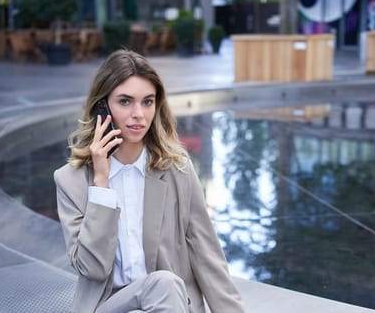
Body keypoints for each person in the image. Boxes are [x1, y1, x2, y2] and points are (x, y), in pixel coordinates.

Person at [54, 50, 246, 313]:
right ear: (102, 107)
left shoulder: (178, 170)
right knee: (163, 284)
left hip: (169, 305)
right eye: (125, 101)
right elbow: (92, 269)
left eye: (147, 102)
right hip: (109, 307)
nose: (139, 114)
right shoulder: (71, 181)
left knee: (164, 286)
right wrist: (101, 184)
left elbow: (207, 254)